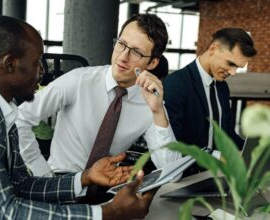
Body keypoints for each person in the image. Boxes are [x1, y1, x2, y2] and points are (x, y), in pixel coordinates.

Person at [0, 15, 157, 220]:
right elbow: (2, 213)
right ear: (10, 64)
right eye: (37, 62)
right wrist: (106, 214)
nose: (42, 72)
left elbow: (20, 186)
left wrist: (84, 178)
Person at [16, 13, 181, 178]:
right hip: (62, 178)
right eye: (121, 44)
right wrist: (43, 174)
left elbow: (172, 173)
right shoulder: (79, 80)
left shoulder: (150, 101)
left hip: (106, 188)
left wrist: (158, 111)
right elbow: (19, 119)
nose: (123, 57)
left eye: (136, 52)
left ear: (152, 63)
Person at [163, 28, 257, 176]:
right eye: (230, 63)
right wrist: (219, 157)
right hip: (184, 178)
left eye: (237, 68)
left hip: (215, 176)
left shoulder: (222, 88)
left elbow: (227, 135)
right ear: (214, 48)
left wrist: (254, 151)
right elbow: (172, 144)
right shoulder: (176, 84)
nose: (233, 73)